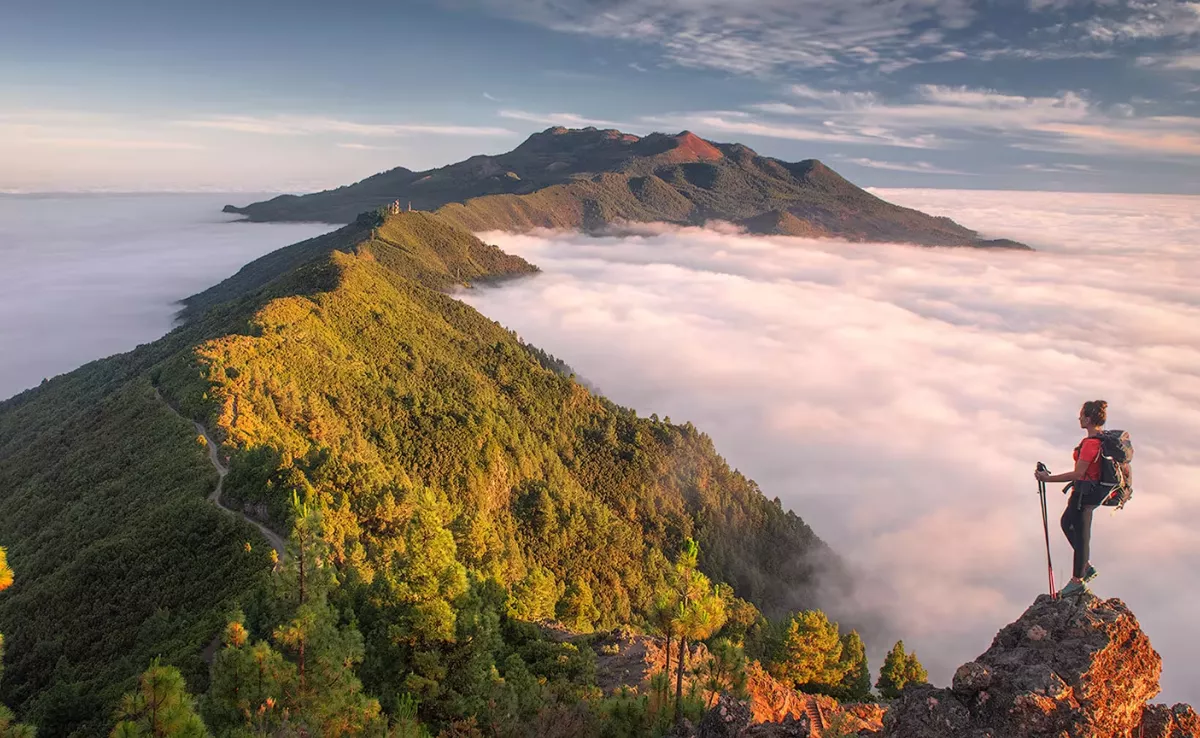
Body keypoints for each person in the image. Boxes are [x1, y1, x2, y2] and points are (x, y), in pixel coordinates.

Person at [1035, 400, 1109, 597]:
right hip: (1087, 493)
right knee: (1067, 523)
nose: (1079, 418)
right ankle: (1085, 566)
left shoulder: (1091, 444)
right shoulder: (1100, 439)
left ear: (1089, 419)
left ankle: (1078, 580)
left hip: (1084, 495)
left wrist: (1047, 479)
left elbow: (1078, 473)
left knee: (1082, 536)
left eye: (1082, 415)